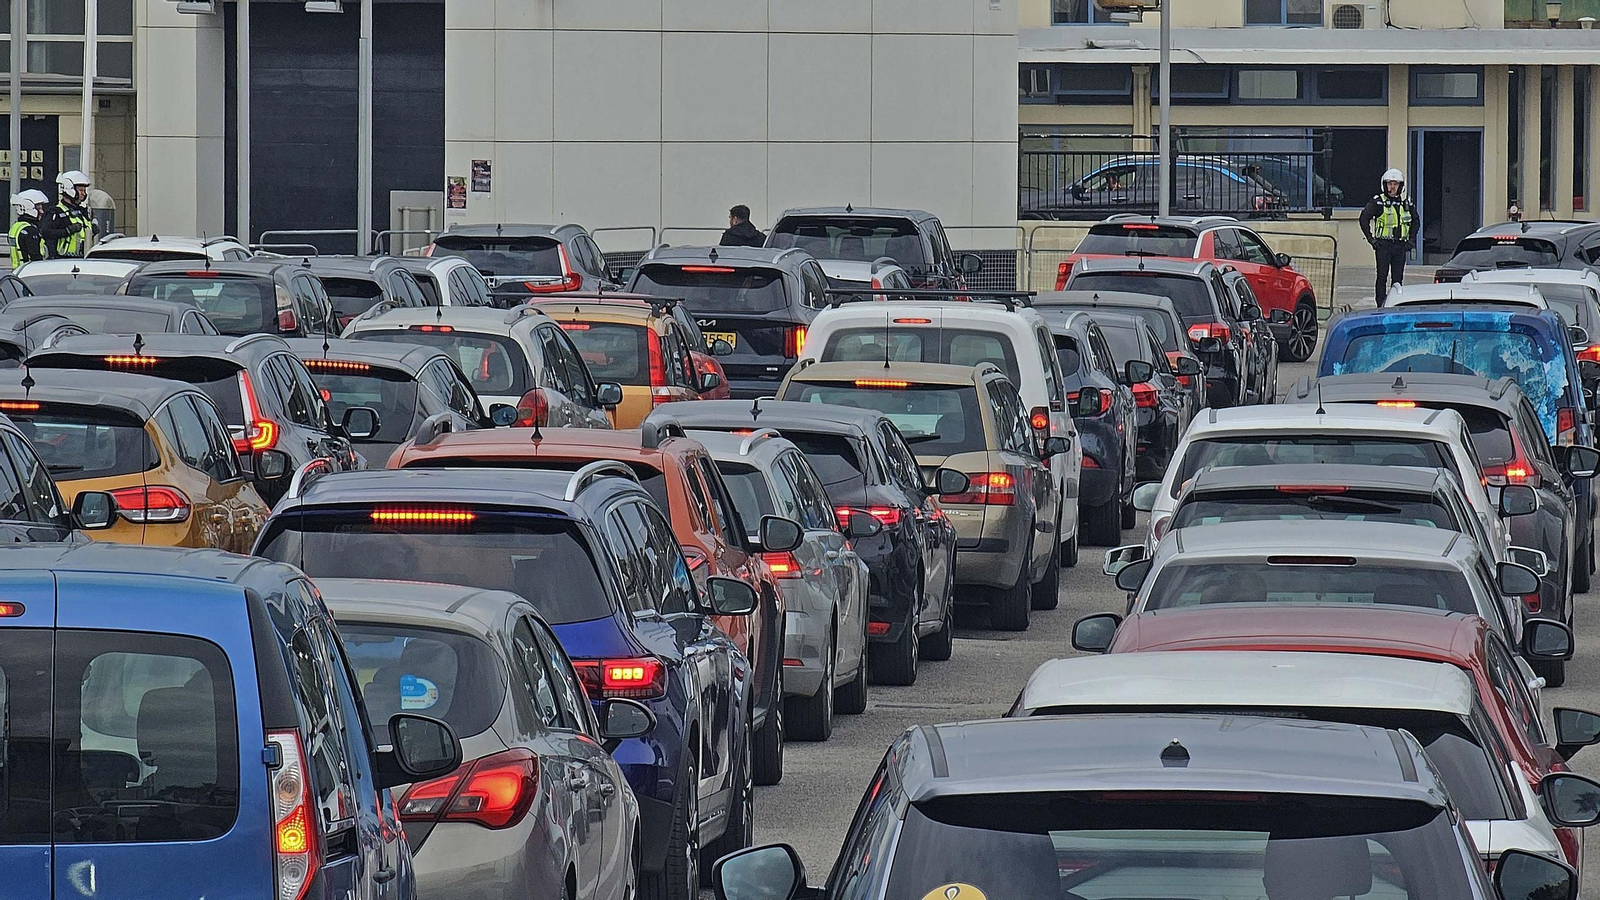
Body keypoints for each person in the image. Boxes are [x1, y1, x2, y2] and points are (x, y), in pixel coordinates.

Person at [1359, 168, 1418, 306]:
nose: (1392, 187)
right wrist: (1371, 239)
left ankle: (1396, 303)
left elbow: (1416, 221)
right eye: (1390, 184)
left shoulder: (1406, 203)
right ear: (1385, 185)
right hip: (1383, 246)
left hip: (1400, 246)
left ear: (1400, 186)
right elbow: (1364, 219)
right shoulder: (1377, 202)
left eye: (1395, 184)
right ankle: (1380, 304)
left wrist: (1411, 240)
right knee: (1382, 277)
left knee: (1398, 279)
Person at [42, 170, 94, 259]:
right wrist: (67, 231)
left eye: (84, 190)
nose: (83, 194)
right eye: (81, 190)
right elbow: (46, 233)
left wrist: (93, 230)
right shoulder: (56, 212)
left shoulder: (83, 212)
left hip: (83, 258)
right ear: (69, 189)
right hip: (62, 260)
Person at [8, 190, 47, 269]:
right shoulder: (30, 231)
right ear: (28, 207)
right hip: (30, 272)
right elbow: (35, 257)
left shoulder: (16, 227)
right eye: (38, 208)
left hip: (17, 271)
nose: (42, 212)